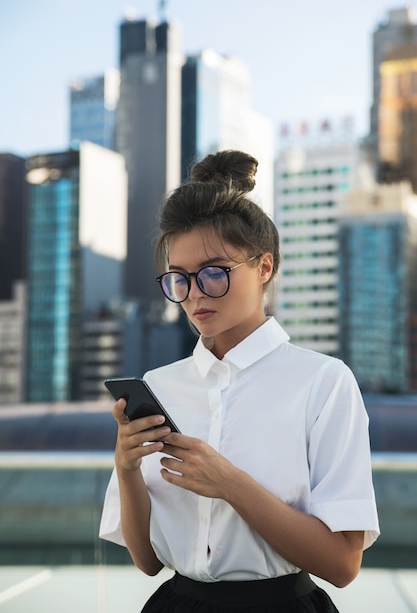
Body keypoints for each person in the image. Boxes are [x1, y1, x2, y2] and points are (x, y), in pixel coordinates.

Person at [99, 150, 380, 612]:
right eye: (179, 279)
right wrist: (127, 469)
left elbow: (343, 564)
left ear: (264, 267)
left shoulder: (323, 382)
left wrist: (229, 482)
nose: (194, 296)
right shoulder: (160, 385)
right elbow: (148, 563)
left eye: (214, 274)